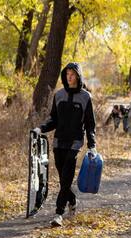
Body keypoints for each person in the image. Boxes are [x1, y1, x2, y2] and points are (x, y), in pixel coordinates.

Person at [33, 62, 96, 227]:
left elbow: (90, 124)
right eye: (67, 74)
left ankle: (58, 214)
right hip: (58, 142)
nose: (69, 77)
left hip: (75, 143)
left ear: (78, 76)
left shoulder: (85, 97)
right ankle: (73, 200)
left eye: (72, 74)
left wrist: (92, 145)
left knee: (67, 175)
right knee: (64, 180)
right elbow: (54, 119)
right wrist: (41, 128)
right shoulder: (59, 95)